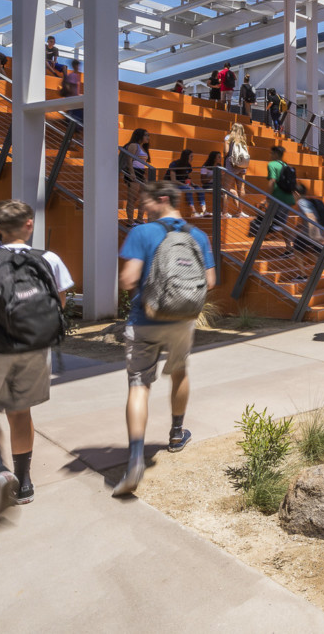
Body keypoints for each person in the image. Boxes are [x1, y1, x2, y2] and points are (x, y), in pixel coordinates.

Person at [0, 199, 74, 516]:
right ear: (29, 224)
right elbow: (59, 304)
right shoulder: (49, 259)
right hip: (34, 348)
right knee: (20, 413)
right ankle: (24, 481)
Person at [113, 182, 217, 496]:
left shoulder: (141, 233)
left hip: (145, 320)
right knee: (180, 372)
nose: (142, 208)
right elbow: (209, 281)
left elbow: (128, 279)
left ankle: (134, 458)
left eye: (145, 202)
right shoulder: (197, 236)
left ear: (162, 199)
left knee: (139, 385)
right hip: (182, 321)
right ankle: (175, 433)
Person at [121, 129, 152, 222]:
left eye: (148, 135)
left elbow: (142, 164)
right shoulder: (134, 145)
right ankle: (130, 222)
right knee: (132, 198)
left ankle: (139, 219)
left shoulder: (143, 147)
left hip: (141, 173)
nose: (148, 137)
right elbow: (129, 160)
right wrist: (132, 173)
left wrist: (144, 176)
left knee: (144, 197)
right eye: (146, 135)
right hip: (133, 172)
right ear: (139, 136)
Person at [223, 122, 251, 216]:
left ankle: (225, 212)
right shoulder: (243, 140)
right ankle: (240, 211)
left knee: (226, 189)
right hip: (242, 166)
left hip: (232, 164)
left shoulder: (228, 138)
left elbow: (225, 151)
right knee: (241, 189)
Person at [165, 149, 197, 215]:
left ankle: (204, 210)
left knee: (200, 189)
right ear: (186, 157)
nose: (192, 158)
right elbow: (173, 181)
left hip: (181, 184)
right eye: (191, 156)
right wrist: (187, 186)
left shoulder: (188, 166)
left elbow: (187, 177)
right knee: (188, 189)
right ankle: (193, 211)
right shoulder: (174, 164)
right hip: (171, 185)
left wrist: (193, 184)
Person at [60, 58, 84, 131]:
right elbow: (69, 87)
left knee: (77, 118)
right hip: (73, 100)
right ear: (74, 66)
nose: (78, 67)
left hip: (74, 100)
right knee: (76, 118)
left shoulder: (76, 75)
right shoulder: (73, 75)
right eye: (77, 65)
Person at [195, 152, 221, 217]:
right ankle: (219, 212)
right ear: (214, 158)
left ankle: (238, 212)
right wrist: (213, 175)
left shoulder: (219, 166)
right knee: (221, 193)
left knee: (232, 192)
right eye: (219, 157)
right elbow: (203, 181)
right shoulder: (205, 167)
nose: (221, 158)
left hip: (216, 184)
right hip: (208, 185)